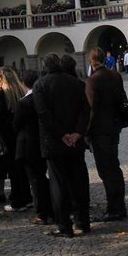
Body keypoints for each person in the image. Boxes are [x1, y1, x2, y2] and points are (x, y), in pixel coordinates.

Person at [34, 53, 91, 238]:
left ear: (44, 66)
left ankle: (64, 225)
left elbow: (43, 115)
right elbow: (85, 110)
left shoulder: (40, 85)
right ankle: (83, 221)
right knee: (79, 181)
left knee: (58, 184)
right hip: (75, 142)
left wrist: (62, 135)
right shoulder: (75, 82)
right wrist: (77, 133)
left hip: (54, 142)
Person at [85, 47, 127, 221]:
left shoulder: (92, 81)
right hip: (114, 127)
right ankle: (119, 206)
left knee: (106, 171)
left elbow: (91, 110)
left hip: (100, 131)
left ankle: (114, 208)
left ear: (91, 62)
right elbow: (122, 99)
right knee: (114, 168)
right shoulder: (115, 76)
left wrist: (86, 133)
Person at [13, 72, 52, 225]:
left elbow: (16, 125)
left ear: (24, 83)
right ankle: (49, 207)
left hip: (28, 145)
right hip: (42, 142)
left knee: (35, 180)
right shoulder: (43, 99)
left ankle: (42, 212)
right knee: (42, 177)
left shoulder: (24, 102)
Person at [0, 66, 31, 212]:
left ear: (2, 78)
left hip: (8, 136)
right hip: (21, 134)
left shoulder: (3, 93)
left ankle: (18, 200)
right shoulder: (21, 90)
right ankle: (27, 197)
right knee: (22, 168)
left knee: (13, 169)